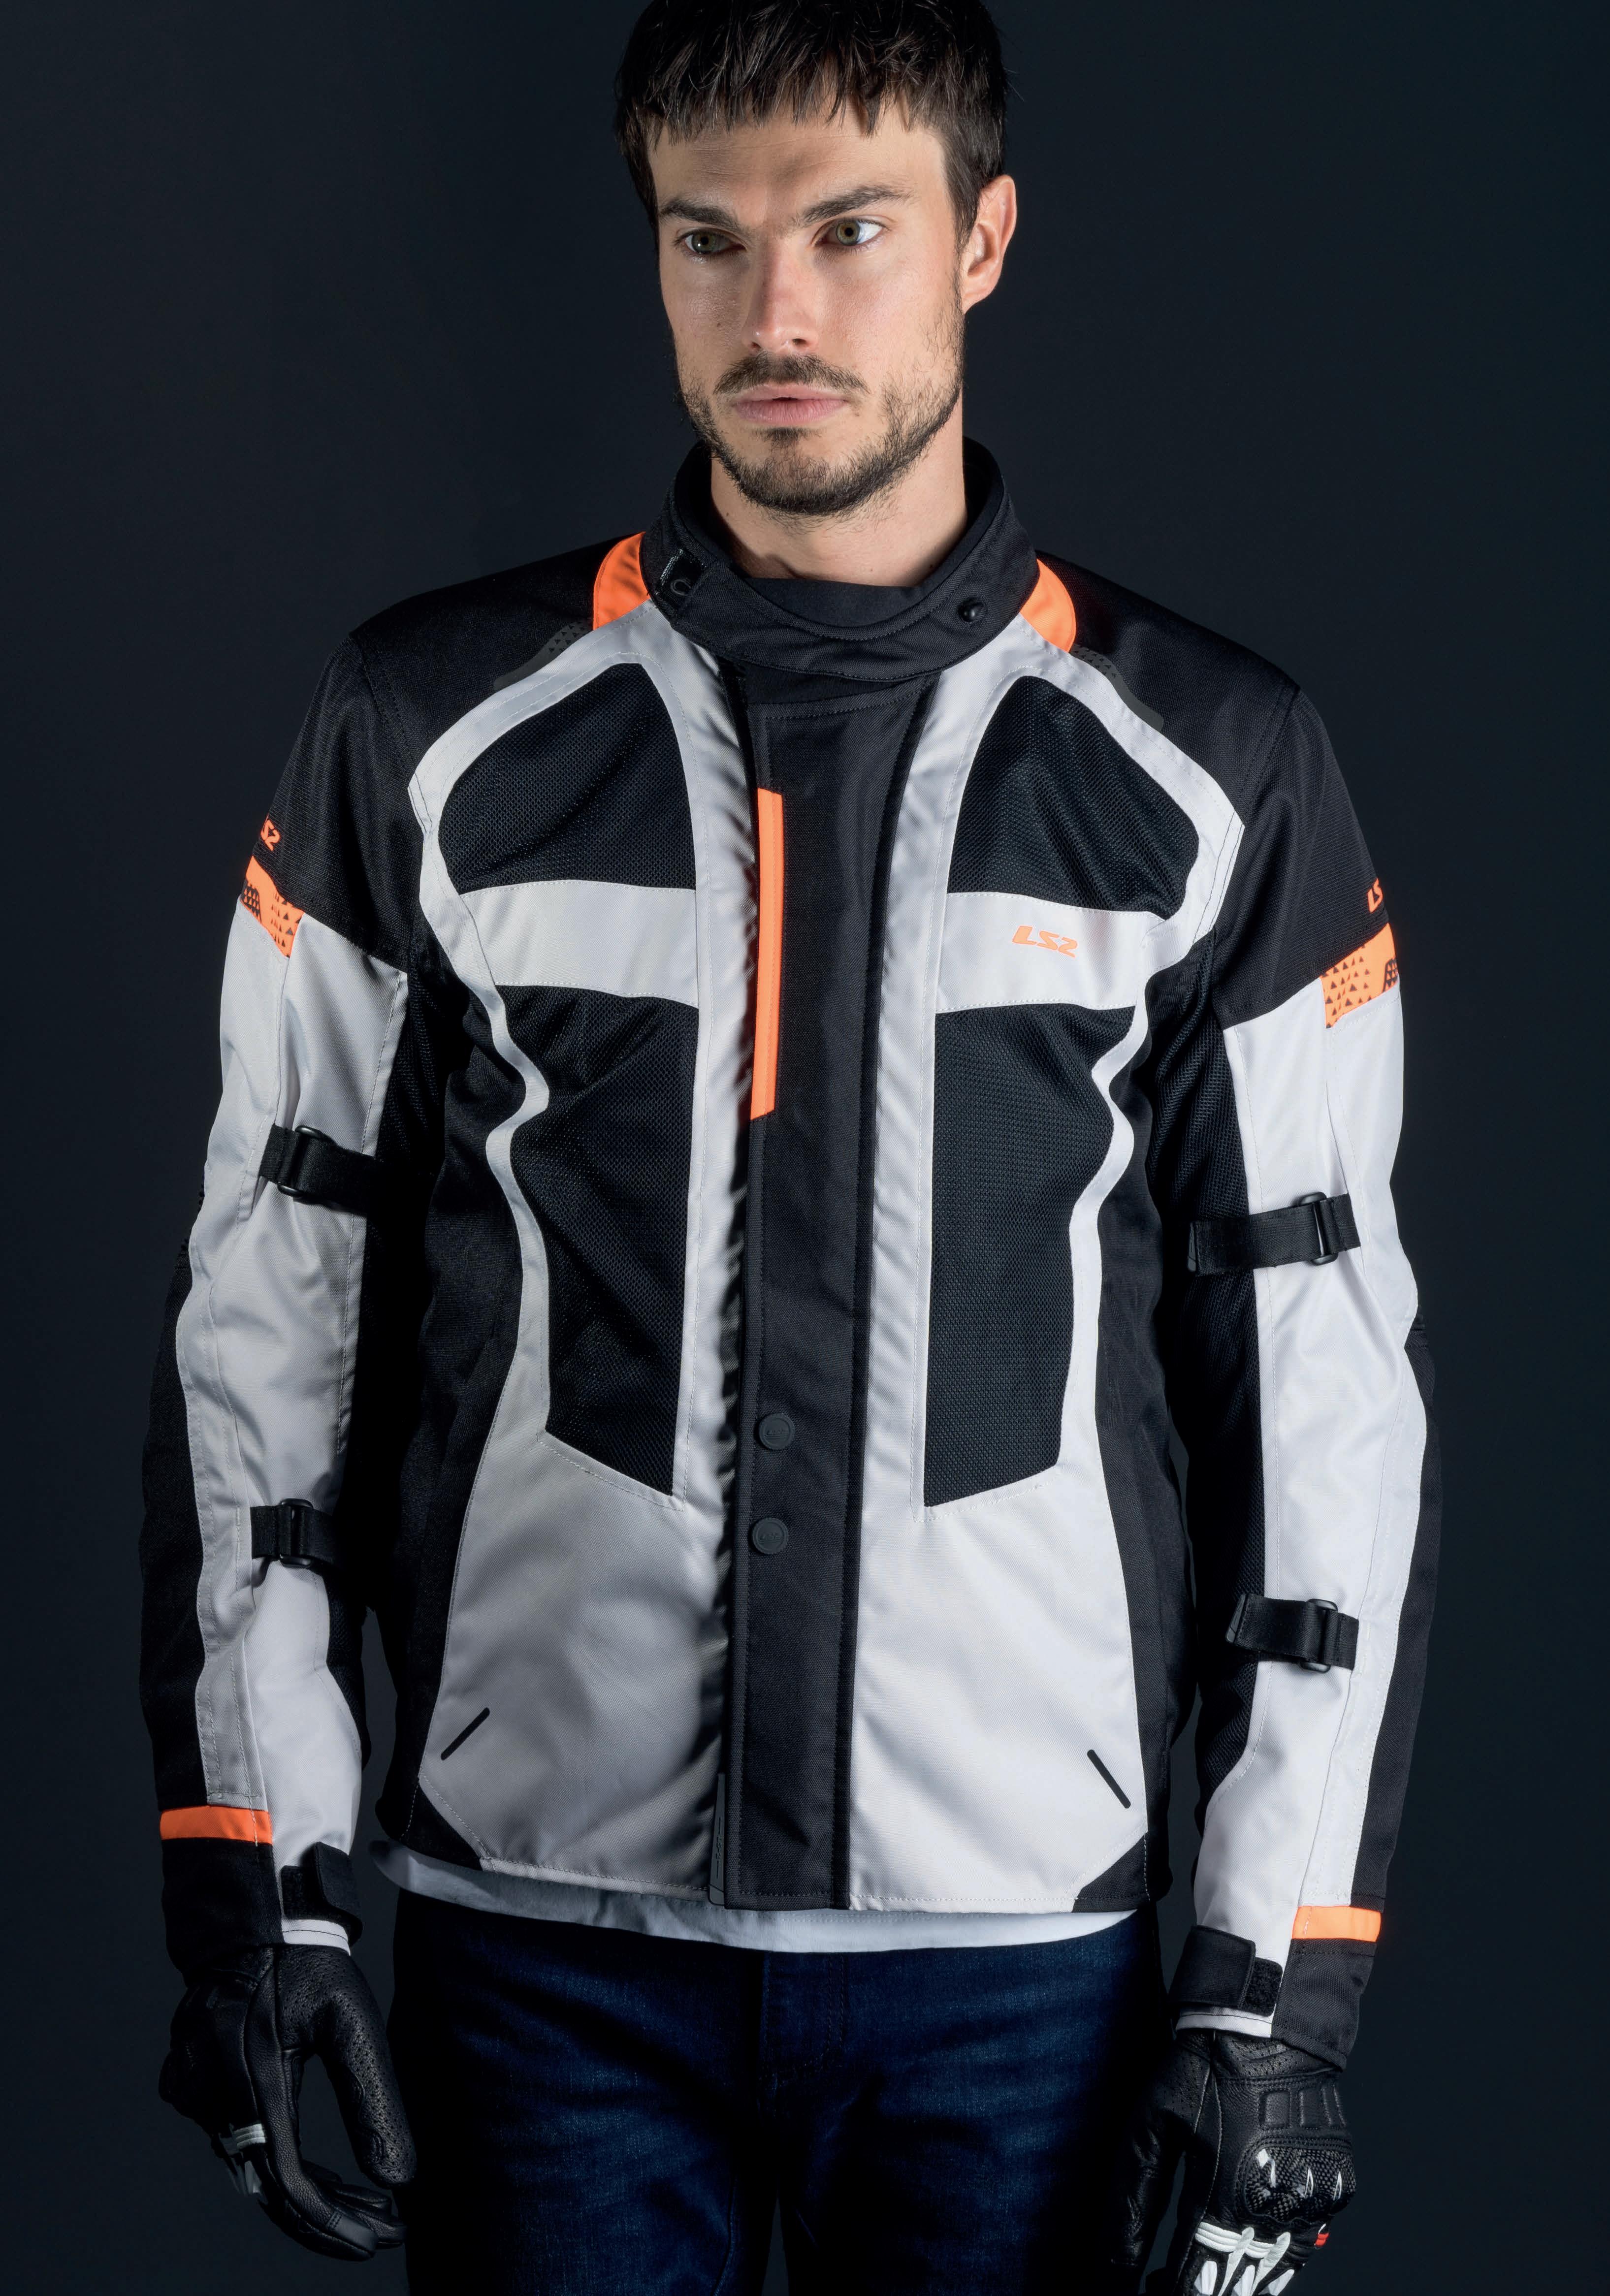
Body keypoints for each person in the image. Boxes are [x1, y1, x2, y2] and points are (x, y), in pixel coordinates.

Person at [141, 3, 1438, 2289]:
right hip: (537, 1954)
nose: (777, 313)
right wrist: (265, 1892)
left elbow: (1324, 1413)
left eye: (849, 231)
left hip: (1016, 1972)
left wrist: (1270, 1993)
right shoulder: (424, 726)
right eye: (707, 239)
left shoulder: (1211, 769)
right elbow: (265, 1324)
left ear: (982, 239)